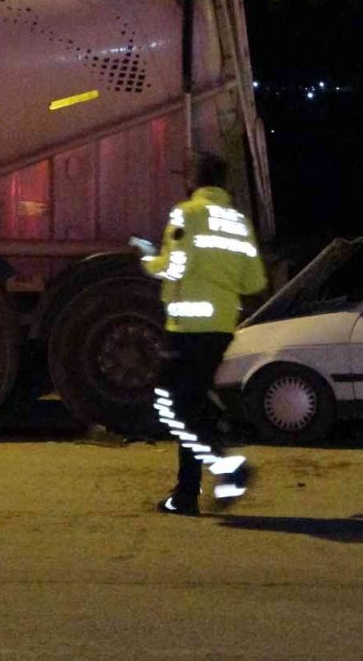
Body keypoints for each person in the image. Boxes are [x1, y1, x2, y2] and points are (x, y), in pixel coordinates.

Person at [136, 152, 268, 515]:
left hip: (187, 326)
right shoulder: (238, 222)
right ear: (223, 182)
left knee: (170, 404)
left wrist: (148, 258)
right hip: (221, 328)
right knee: (189, 404)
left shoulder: (186, 214)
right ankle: (186, 493)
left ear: (193, 181)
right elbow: (254, 280)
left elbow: (174, 267)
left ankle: (226, 467)